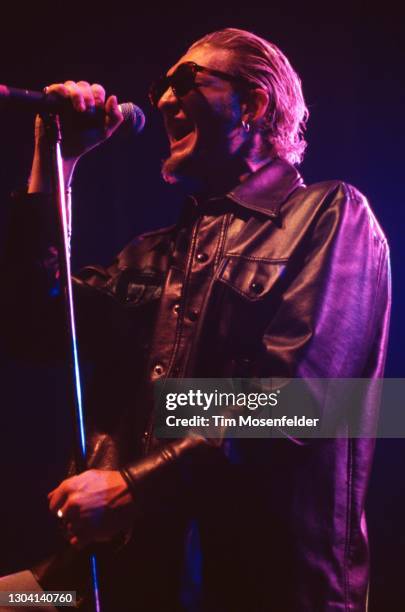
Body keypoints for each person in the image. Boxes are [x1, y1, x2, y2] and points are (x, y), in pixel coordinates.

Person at [0, 28, 391, 612]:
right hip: (115, 581)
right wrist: (57, 160)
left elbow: (303, 403)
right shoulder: (151, 253)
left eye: (185, 82)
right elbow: (30, 325)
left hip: (256, 588)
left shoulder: (330, 216)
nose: (160, 100)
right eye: (160, 86)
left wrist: (133, 487)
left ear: (253, 105)